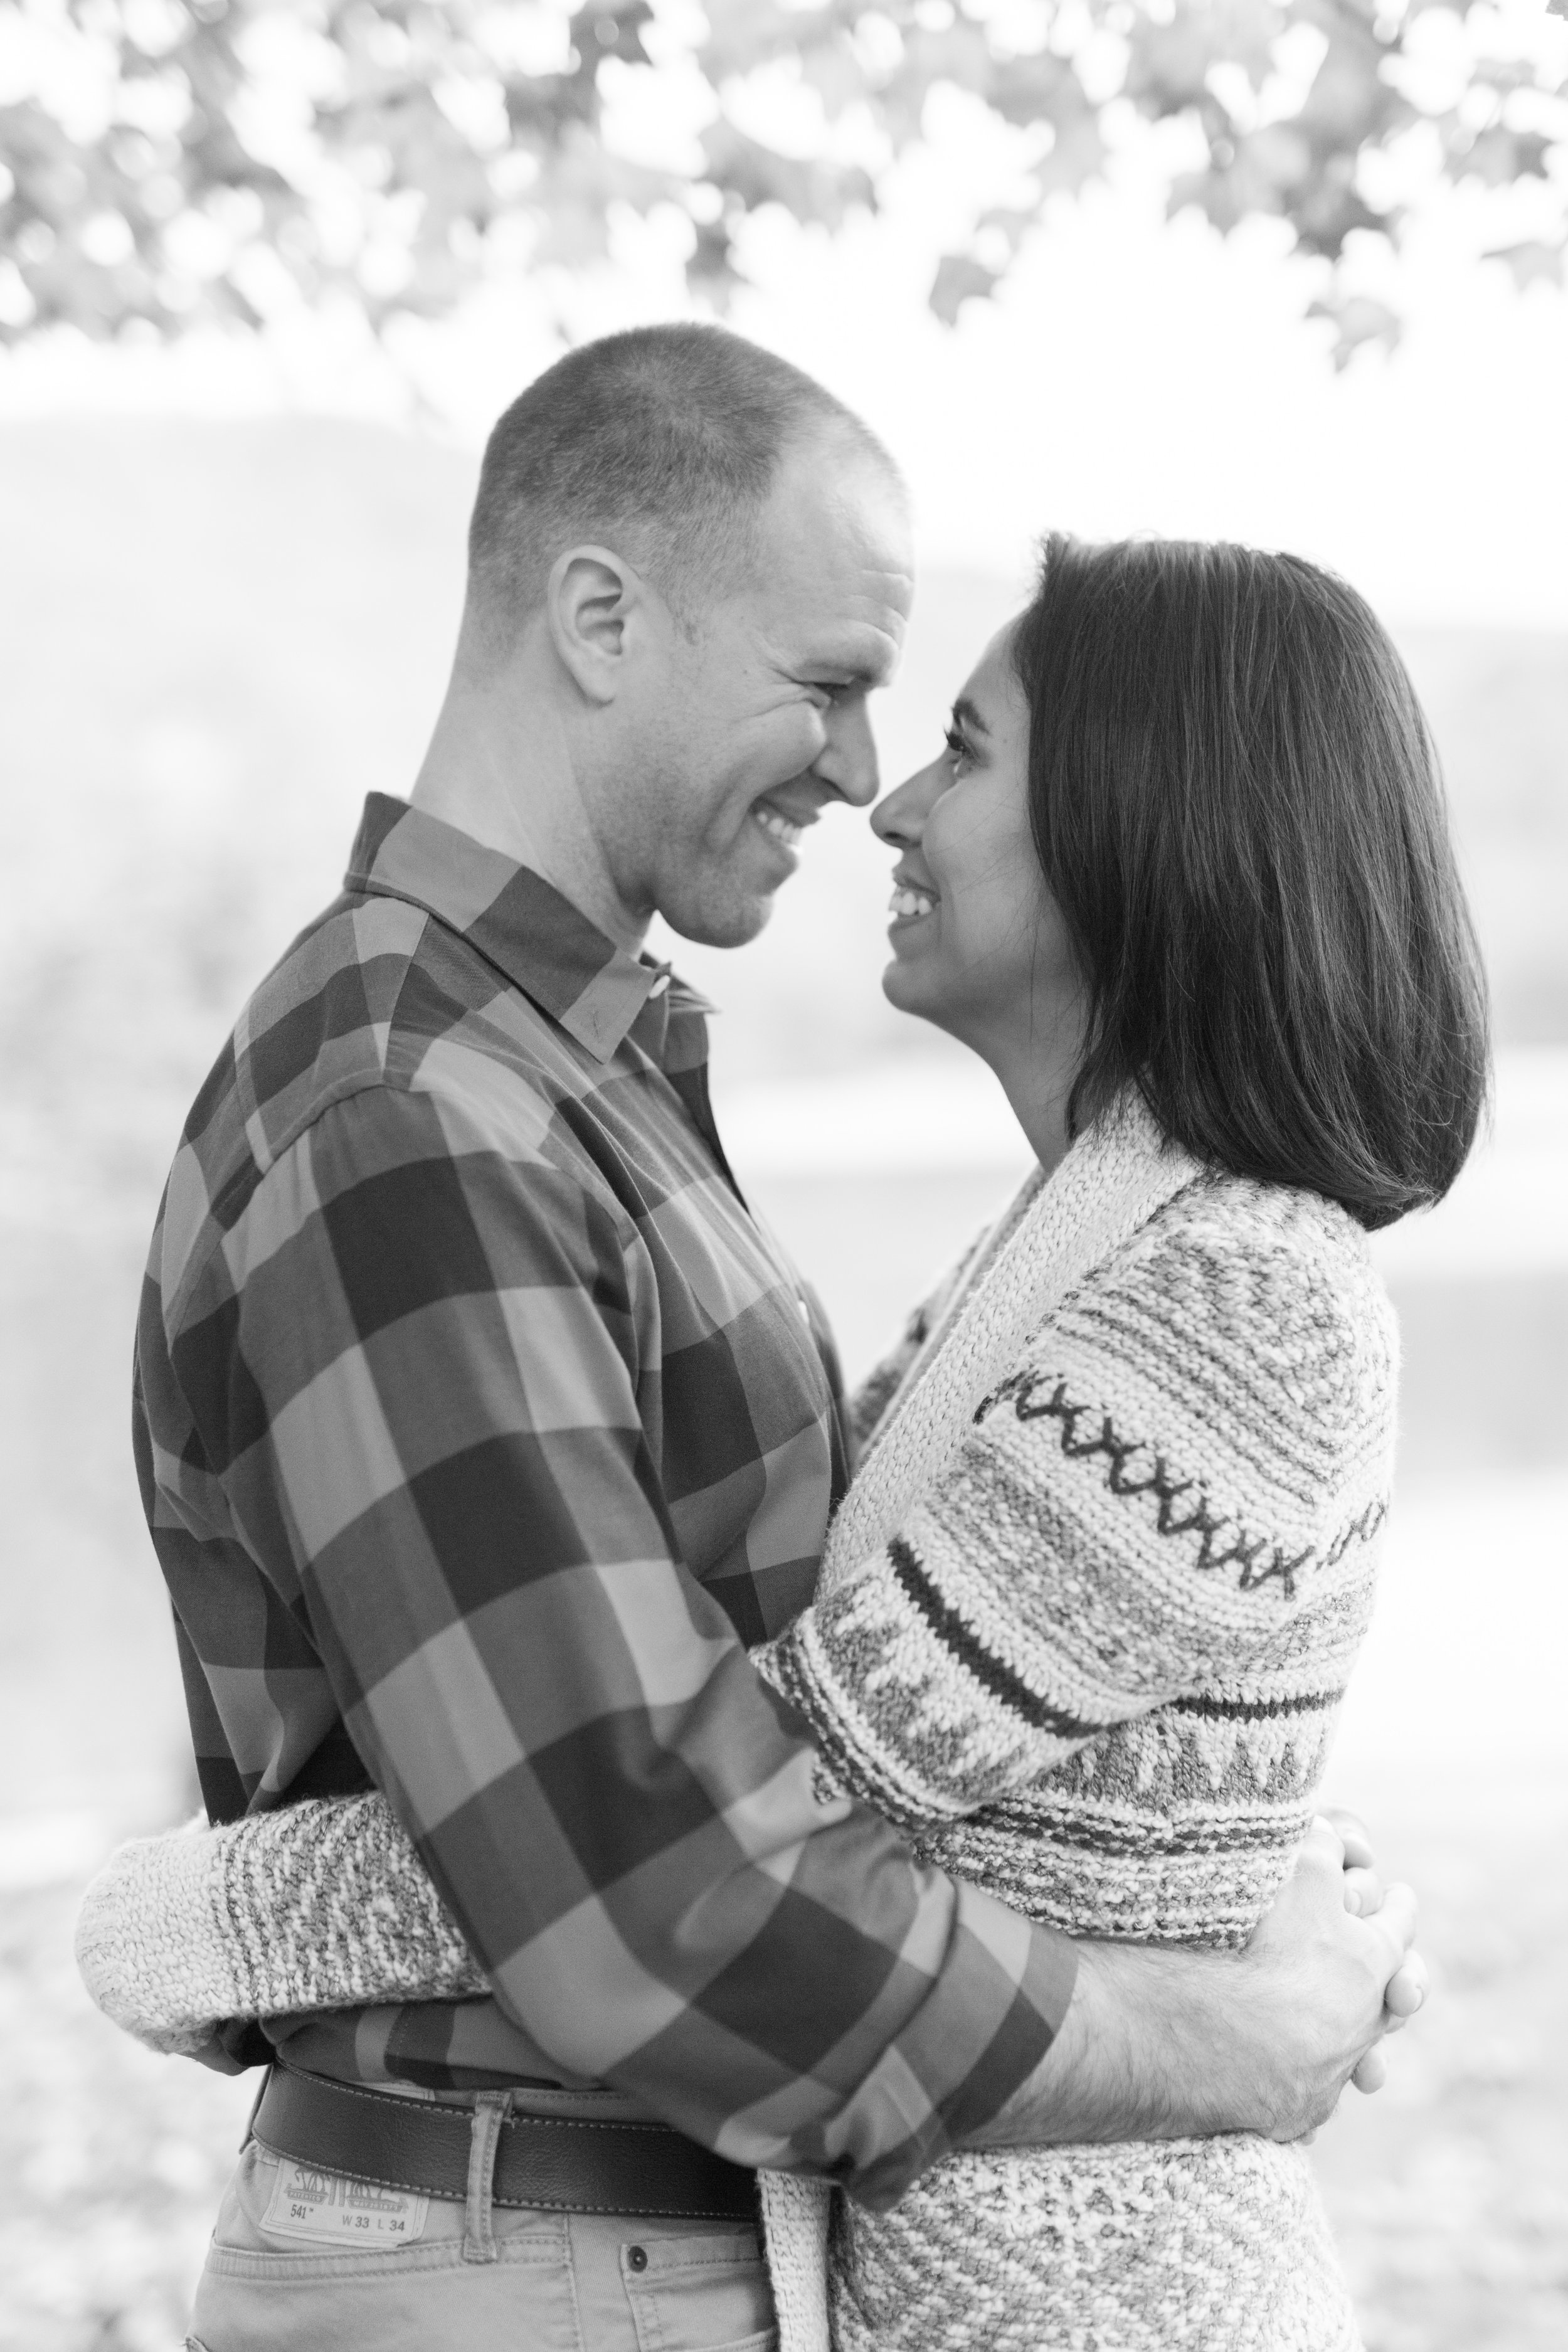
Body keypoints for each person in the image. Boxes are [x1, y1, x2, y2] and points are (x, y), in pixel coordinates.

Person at [86, 330, 1427, 2352]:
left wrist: (1210, 1834)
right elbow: (641, 1873)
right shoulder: (414, 1110)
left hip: (628, 2246)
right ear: (601, 619)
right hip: (517, 2261)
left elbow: (818, 1749)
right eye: (828, 684)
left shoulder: (575, 1084)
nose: (859, 775)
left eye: (935, 729)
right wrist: (1200, 2032)